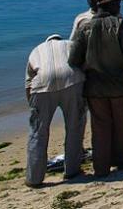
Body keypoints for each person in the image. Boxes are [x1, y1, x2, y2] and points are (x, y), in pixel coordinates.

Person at [69, 0, 123, 178]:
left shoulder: (84, 27)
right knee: (120, 123)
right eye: (118, 3)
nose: (119, 6)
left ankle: (101, 167)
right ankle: (120, 160)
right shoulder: (122, 24)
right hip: (120, 84)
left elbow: (73, 59)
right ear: (109, 5)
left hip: (94, 86)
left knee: (100, 126)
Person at [25, 35, 86, 187]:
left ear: (47, 42)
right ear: (60, 40)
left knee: (38, 133)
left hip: (42, 85)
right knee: (74, 128)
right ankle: (72, 170)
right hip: (71, 80)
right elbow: (84, 65)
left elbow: (28, 82)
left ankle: (34, 178)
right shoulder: (70, 44)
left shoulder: (36, 50)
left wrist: (33, 107)